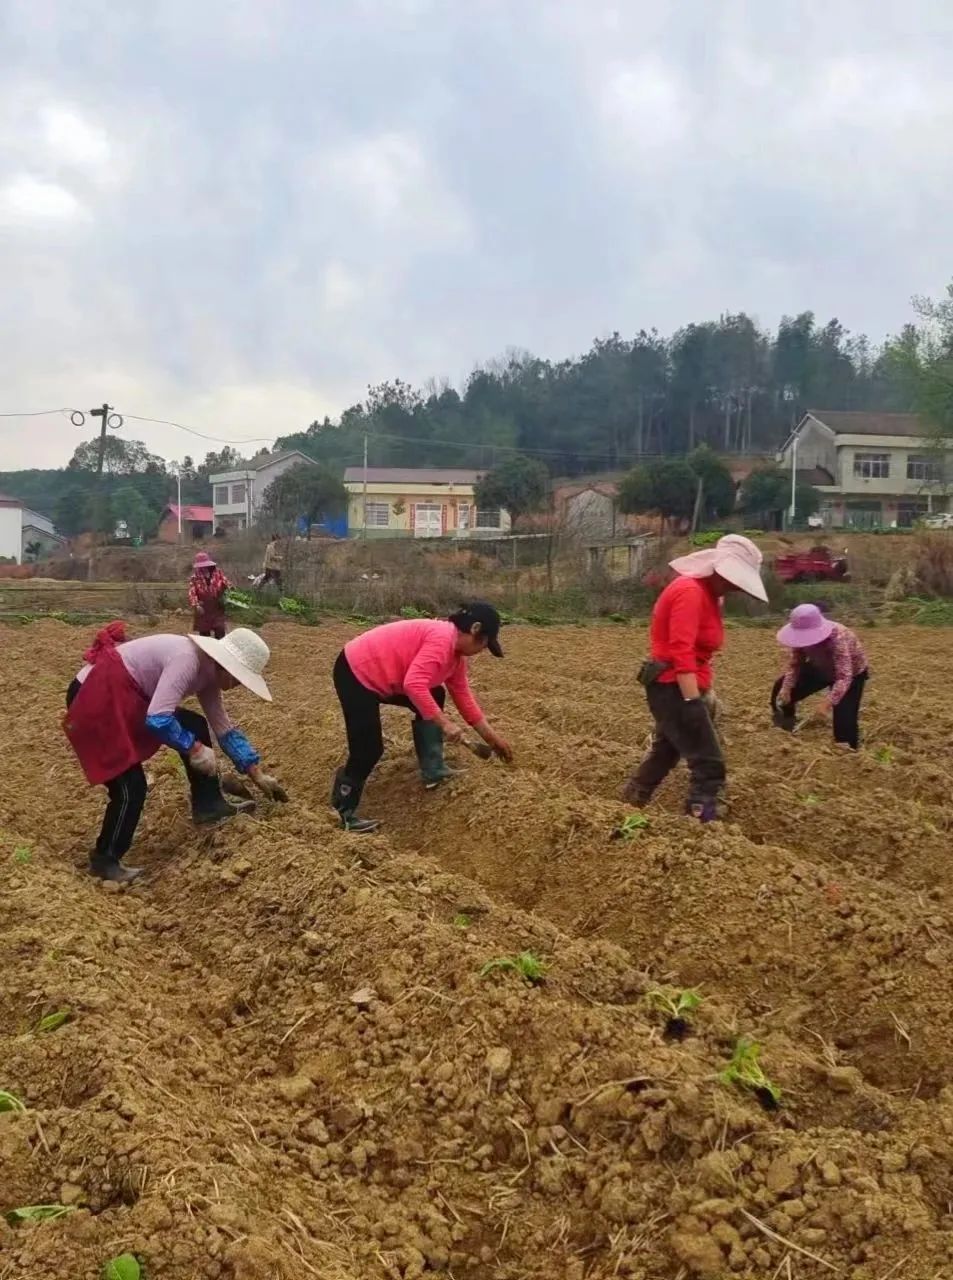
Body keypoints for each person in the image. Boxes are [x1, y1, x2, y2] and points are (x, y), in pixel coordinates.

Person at [63, 623, 286, 883]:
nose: (238, 685)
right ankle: (106, 859)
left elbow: (224, 729)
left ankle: (209, 805)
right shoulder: (188, 660)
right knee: (129, 784)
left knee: (195, 725)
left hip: (127, 694)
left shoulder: (209, 674)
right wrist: (194, 748)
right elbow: (158, 718)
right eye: (238, 678)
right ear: (226, 665)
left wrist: (256, 773)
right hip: (97, 693)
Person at [330, 603, 513, 832]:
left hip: (385, 675)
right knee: (368, 749)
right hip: (356, 672)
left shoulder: (456, 657)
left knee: (436, 692)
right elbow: (414, 685)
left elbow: (463, 697)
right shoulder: (442, 640)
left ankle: (433, 769)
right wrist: (445, 724)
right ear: (475, 629)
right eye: (484, 644)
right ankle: (341, 813)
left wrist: (493, 739)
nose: (482, 650)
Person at [622, 534, 768, 821]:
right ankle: (701, 824)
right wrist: (692, 701)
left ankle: (630, 801)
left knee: (667, 751)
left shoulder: (711, 596)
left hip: (682, 685)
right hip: (672, 686)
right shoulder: (690, 591)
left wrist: (703, 692)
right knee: (708, 764)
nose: (737, 587)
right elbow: (681, 650)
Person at [772, 603, 868, 748]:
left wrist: (826, 703)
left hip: (851, 673)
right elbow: (795, 664)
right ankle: (785, 724)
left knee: (844, 721)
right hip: (821, 666)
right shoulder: (798, 638)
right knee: (781, 689)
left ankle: (848, 751)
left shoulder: (838, 638)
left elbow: (844, 677)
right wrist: (786, 688)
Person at [188, 551, 230, 639]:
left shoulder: (218, 573)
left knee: (220, 630)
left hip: (217, 606)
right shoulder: (195, 577)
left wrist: (230, 593)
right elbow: (192, 592)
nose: (203, 568)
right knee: (204, 635)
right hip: (203, 608)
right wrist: (196, 605)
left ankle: (219, 651)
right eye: (201, 566)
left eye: (204, 566)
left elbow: (227, 584)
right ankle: (206, 652)